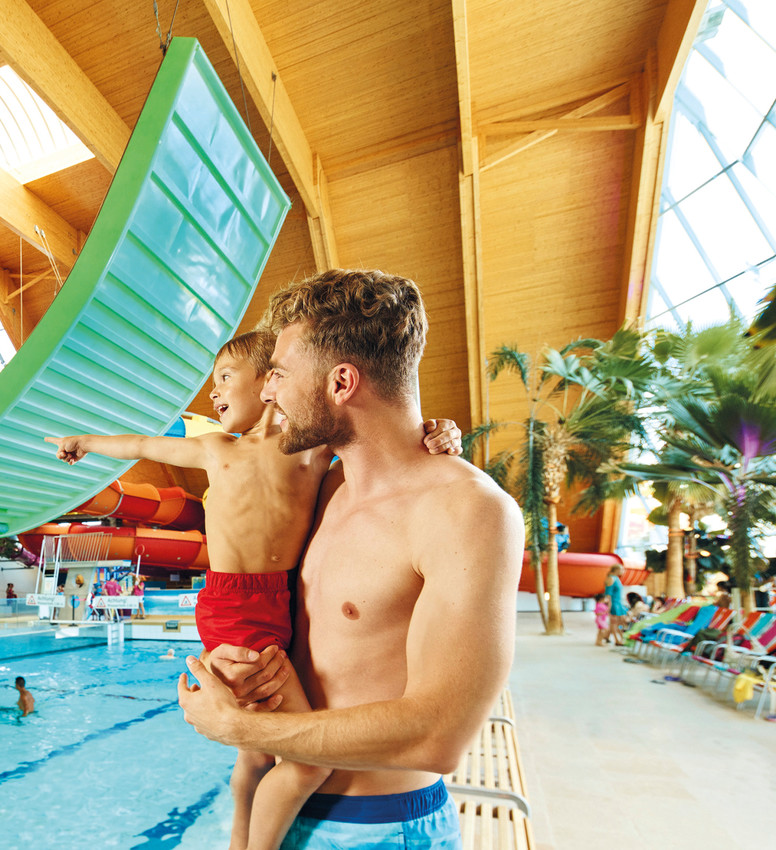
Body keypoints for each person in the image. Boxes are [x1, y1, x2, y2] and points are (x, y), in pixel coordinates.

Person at [52, 325, 463, 850]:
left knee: (254, 754)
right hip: (234, 607)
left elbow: (380, 440)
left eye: (225, 377)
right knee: (306, 765)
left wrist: (439, 430)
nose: (213, 392)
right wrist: (83, 443)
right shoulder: (214, 449)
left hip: (275, 601)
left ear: (271, 380)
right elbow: (140, 443)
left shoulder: (313, 452)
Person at [176, 269, 523, 850]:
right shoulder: (325, 489)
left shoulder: (466, 510)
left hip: (379, 829)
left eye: (280, 374)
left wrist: (242, 727)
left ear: (341, 382)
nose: (267, 391)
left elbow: (439, 736)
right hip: (286, 811)